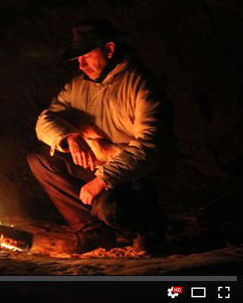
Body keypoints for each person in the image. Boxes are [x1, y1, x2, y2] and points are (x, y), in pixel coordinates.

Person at [27, 19, 172, 254]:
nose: (81, 64)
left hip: (135, 175)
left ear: (110, 49)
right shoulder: (77, 87)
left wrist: (102, 179)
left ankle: (149, 227)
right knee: (41, 160)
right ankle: (93, 232)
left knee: (112, 210)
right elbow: (46, 119)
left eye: (86, 55)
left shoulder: (141, 85)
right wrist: (70, 138)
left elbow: (149, 145)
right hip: (97, 166)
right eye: (78, 59)